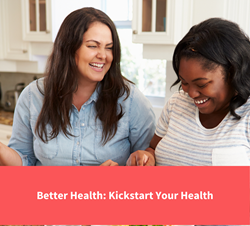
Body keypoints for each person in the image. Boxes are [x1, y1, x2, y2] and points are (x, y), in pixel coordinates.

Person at [126, 18, 250, 226]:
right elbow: (153, 148)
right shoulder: (176, 103)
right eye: (184, 82)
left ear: (232, 72)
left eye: (201, 84)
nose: (191, 93)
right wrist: (146, 157)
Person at [0, 7, 155, 166]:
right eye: (93, 46)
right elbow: (23, 162)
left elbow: (149, 157)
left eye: (109, 47)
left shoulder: (130, 100)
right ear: (69, 48)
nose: (103, 55)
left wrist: (143, 160)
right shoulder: (33, 96)